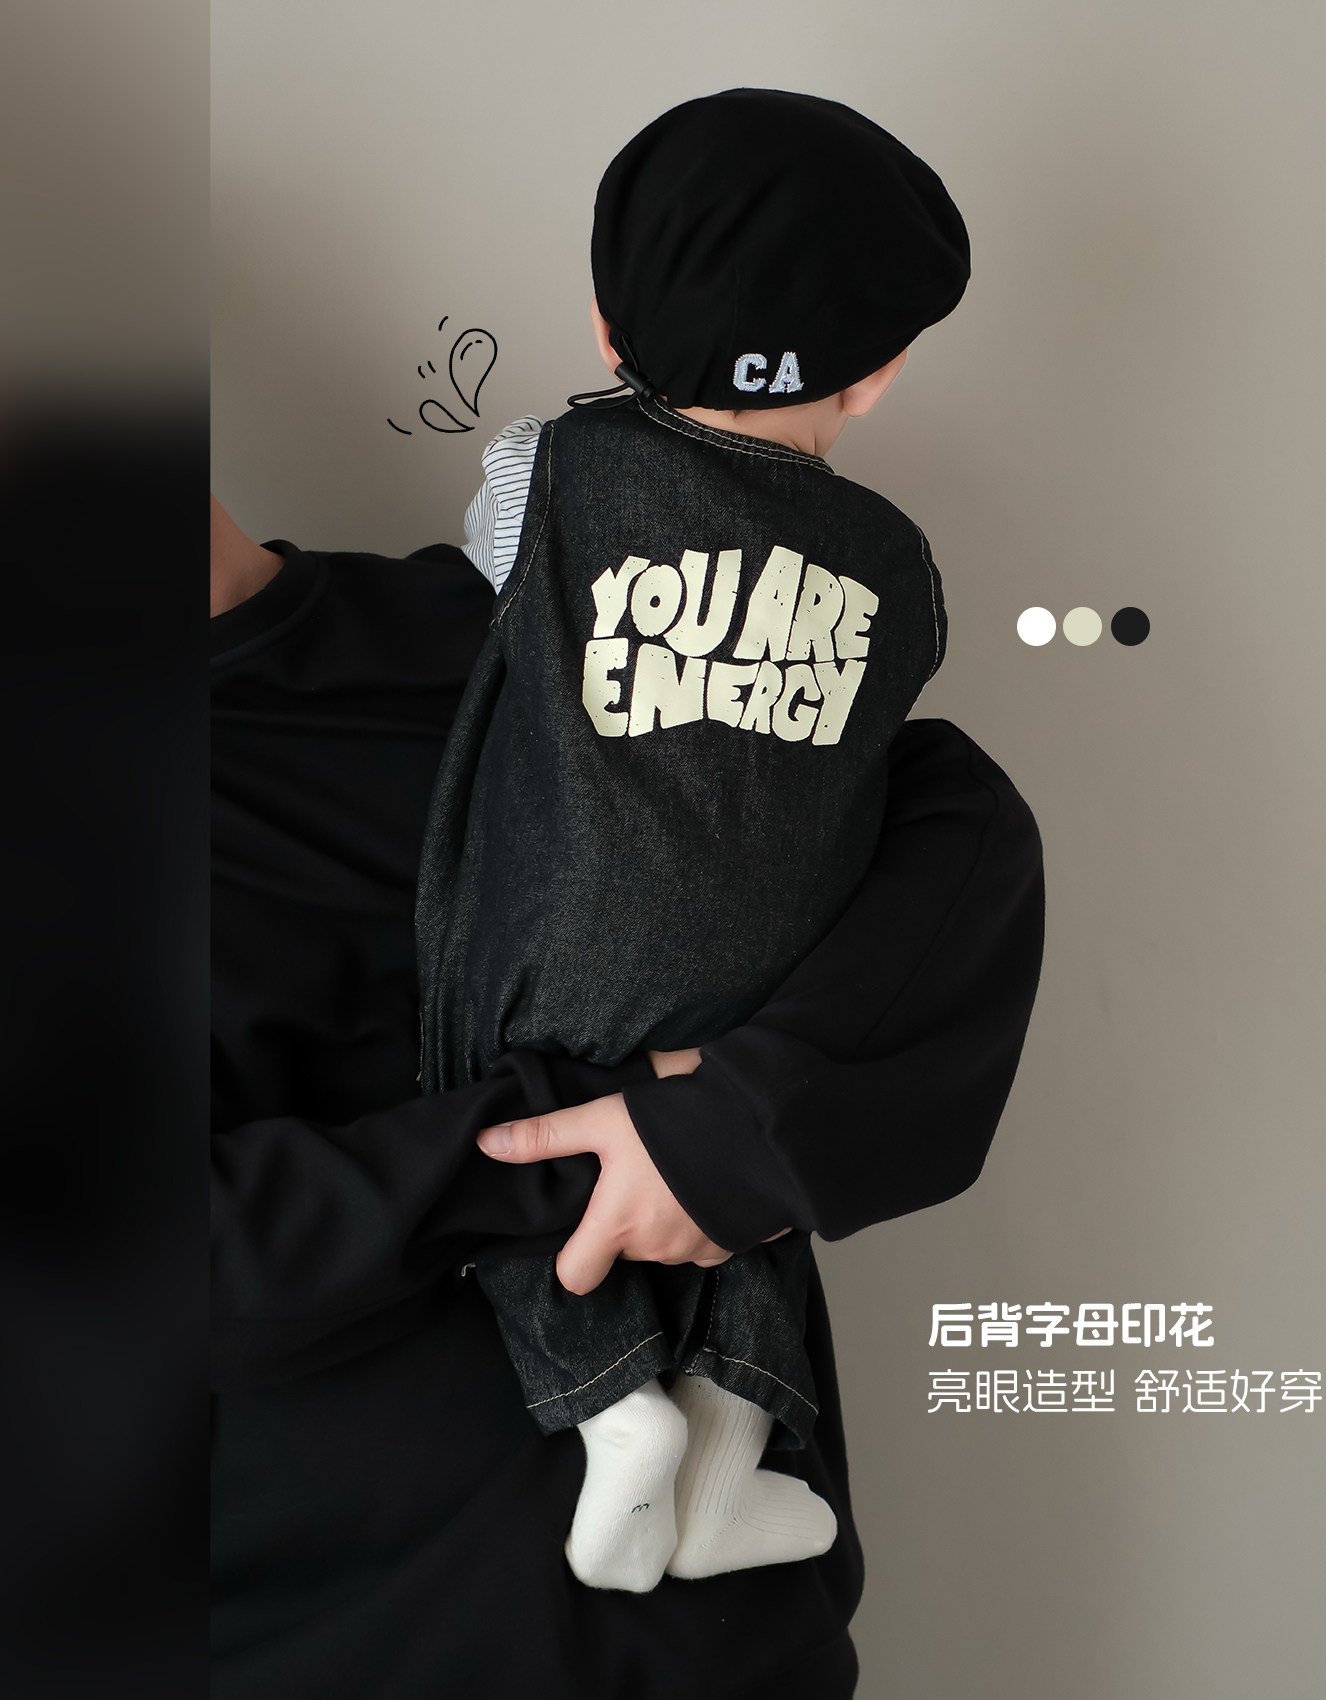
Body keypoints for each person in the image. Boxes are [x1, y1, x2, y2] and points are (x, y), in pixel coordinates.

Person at [211, 500, 1043, 1694]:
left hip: (715, 1638)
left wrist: (737, 1125)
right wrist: (606, 1127)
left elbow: (940, 810)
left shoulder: (523, 622)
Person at [416, 87, 980, 1593]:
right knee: (742, 1176)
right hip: (773, 976)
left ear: (610, 331)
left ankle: (616, 1420)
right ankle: (731, 1447)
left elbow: (490, 575)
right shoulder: (898, 564)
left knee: (509, 1130)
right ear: (876, 375)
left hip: (561, 943)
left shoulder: (553, 469)